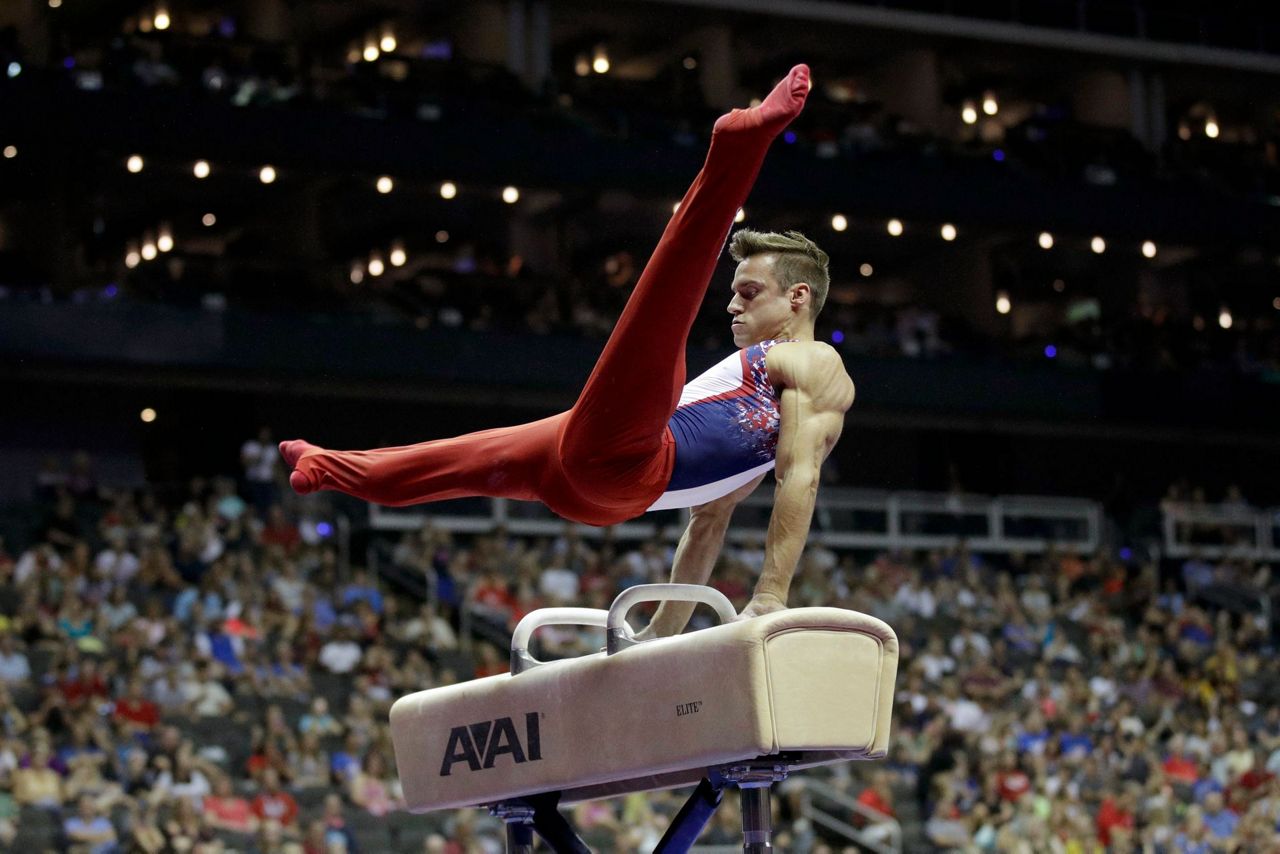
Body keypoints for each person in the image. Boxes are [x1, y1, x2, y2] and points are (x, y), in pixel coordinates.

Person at [281, 64, 853, 624]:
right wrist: (663, 635)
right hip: (596, 462)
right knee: (444, 463)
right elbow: (706, 522)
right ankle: (327, 466)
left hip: (626, 466)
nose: (733, 304)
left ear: (799, 297)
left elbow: (790, 481)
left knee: (666, 301)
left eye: (750, 292)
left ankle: (736, 149)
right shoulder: (756, 378)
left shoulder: (814, 363)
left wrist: (768, 598)